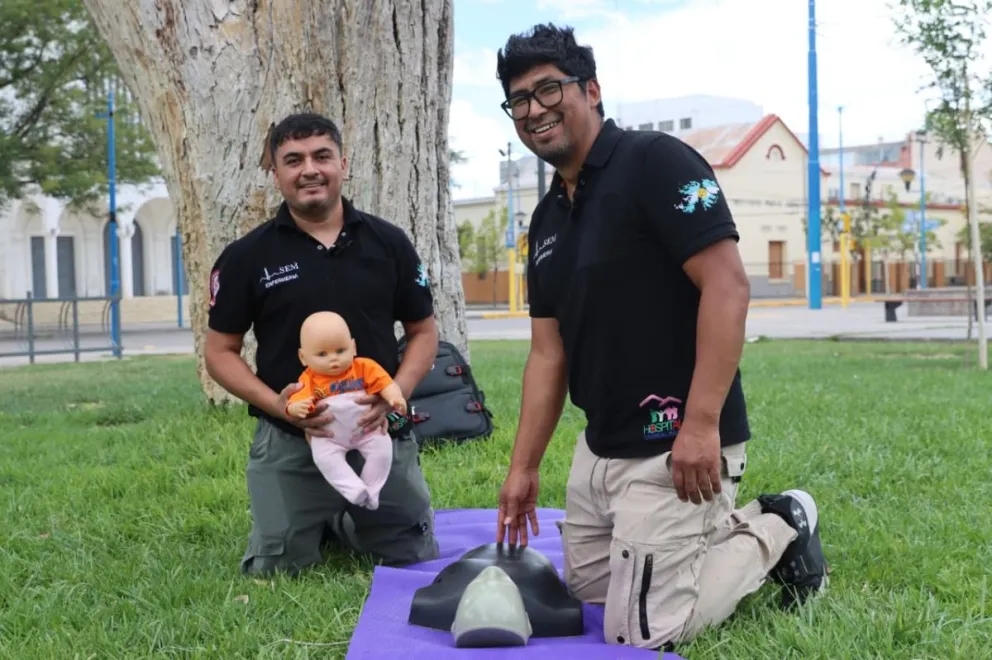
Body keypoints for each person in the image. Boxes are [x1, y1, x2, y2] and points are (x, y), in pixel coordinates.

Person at [492, 24, 828, 651]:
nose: (534, 110)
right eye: (519, 100)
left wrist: (700, 426)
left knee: (641, 632)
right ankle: (699, 536)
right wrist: (523, 467)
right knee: (592, 595)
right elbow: (547, 352)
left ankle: (779, 525)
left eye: (548, 89)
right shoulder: (547, 218)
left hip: (678, 442)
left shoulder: (655, 162)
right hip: (601, 450)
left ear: (591, 90)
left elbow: (728, 287)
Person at [204, 112, 440, 576]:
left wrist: (395, 394)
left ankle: (346, 518)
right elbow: (219, 352)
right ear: (275, 174)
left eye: (321, 156)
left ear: (343, 164)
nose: (309, 169)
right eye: (293, 160)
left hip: (378, 428)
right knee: (277, 569)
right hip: (293, 436)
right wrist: (278, 405)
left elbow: (423, 332)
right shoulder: (247, 256)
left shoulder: (389, 243)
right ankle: (321, 513)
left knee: (411, 556)